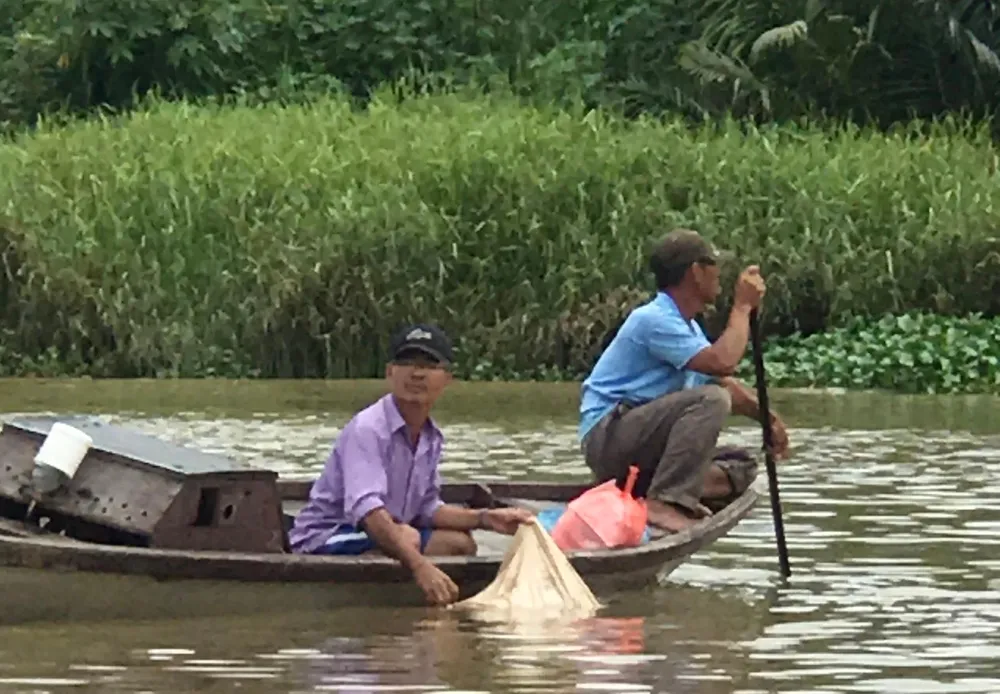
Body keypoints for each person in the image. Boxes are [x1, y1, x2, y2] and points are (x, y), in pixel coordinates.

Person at [288, 322, 534, 606]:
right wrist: (420, 567)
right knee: (408, 537)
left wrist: (485, 519)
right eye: (407, 362)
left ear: (446, 378)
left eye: (428, 365)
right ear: (390, 372)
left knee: (459, 544)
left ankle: (410, 608)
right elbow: (368, 511)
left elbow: (427, 508)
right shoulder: (368, 428)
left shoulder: (431, 436)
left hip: (383, 532)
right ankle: (371, 611)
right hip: (325, 537)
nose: (417, 373)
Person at [578, 228, 791, 534]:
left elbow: (722, 380)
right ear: (696, 271)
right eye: (714, 265)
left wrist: (767, 420)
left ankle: (659, 491)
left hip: (641, 447)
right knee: (711, 400)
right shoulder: (653, 319)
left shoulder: (686, 327)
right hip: (609, 437)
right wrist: (742, 307)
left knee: (740, 464)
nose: (720, 274)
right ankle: (665, 502)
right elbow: (722, 363)